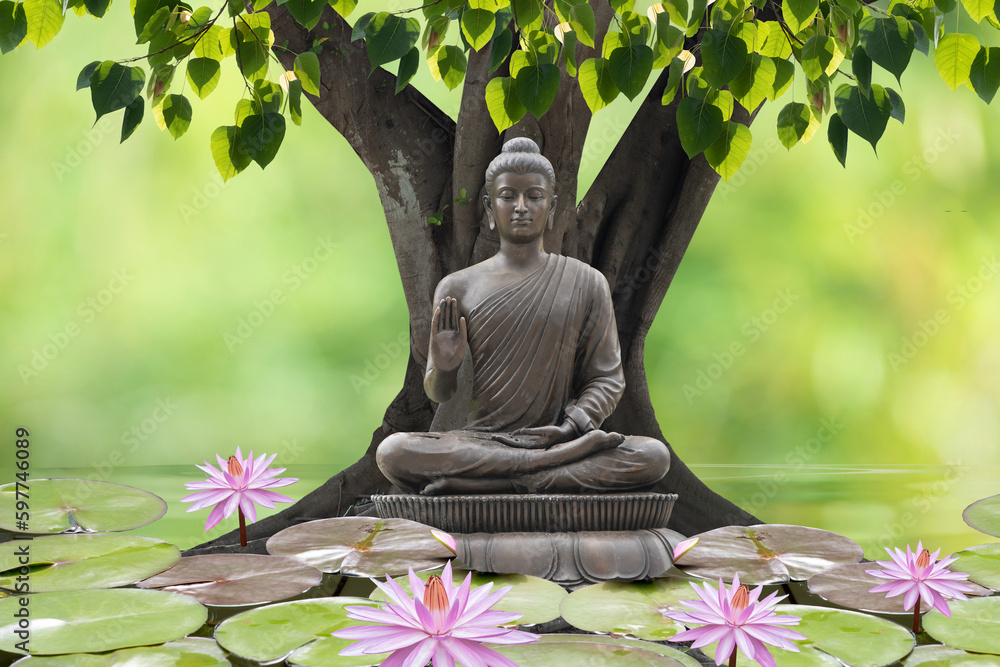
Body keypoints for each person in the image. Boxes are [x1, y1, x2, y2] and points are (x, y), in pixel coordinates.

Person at [376, 138, 670, 495]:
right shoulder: (458, 288)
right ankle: (535, 473)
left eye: (534, 196)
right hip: (483, 443)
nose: (521, 207)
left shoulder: (586, 282)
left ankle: (497, 481)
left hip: (559, 439)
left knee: (653, 456)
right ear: (488, 206)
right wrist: (445, 368)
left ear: (552, 205)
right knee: (393, 452)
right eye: (507, 196)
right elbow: (439, 393)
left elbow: (607, 379)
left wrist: (572, 428)